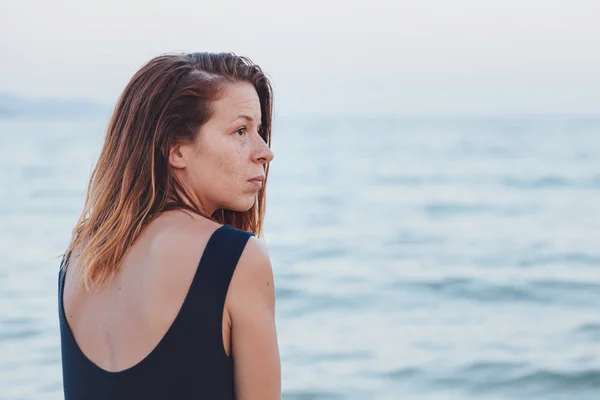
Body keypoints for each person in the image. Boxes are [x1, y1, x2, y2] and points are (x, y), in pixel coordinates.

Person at [57, 52, 280, 399]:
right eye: (240, 130)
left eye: (259, 131)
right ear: (176, 150)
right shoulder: (235, 259)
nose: (265, 151)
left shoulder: (79, 256)